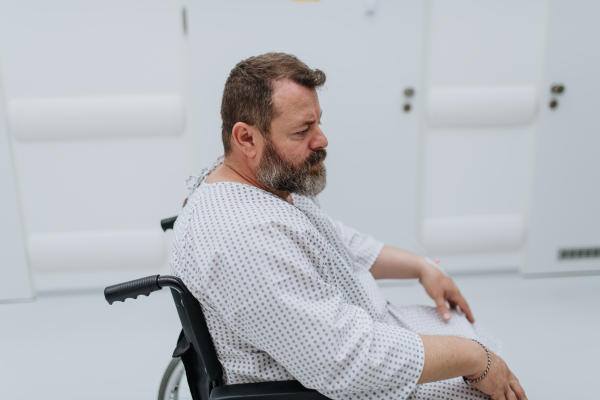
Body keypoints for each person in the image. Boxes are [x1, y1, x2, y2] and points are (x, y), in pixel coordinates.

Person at [170, 53, 526, 400]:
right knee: (490, 376)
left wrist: (421, 267)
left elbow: (335, 240)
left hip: (362, 332)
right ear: (246, 138)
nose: (321, 139)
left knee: (481, 343)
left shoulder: (264, 180)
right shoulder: (244, 238)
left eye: (318, 122)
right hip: (334, 378)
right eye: (302, 130)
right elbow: (345, 361)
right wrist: (474, 359)